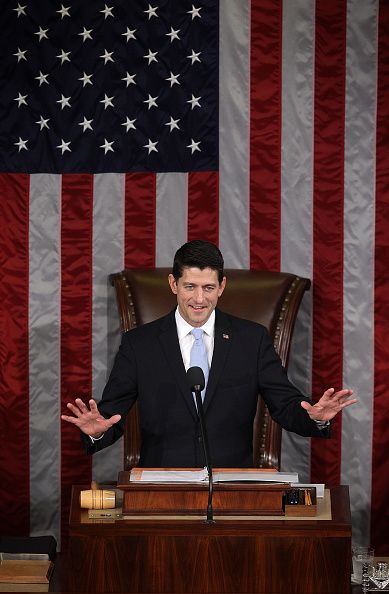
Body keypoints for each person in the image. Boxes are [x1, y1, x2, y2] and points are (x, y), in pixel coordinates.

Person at [62, 240, 356, 467]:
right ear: (173, 284)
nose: (199, 299)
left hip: (233, 483)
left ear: (222, 287)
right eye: (190, 286)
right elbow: (111, 416)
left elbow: (285, 404)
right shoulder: (140, 344)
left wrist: (316, 417)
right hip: (161, 483)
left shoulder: (251, 339)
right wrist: (96, 431)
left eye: (208, 287)